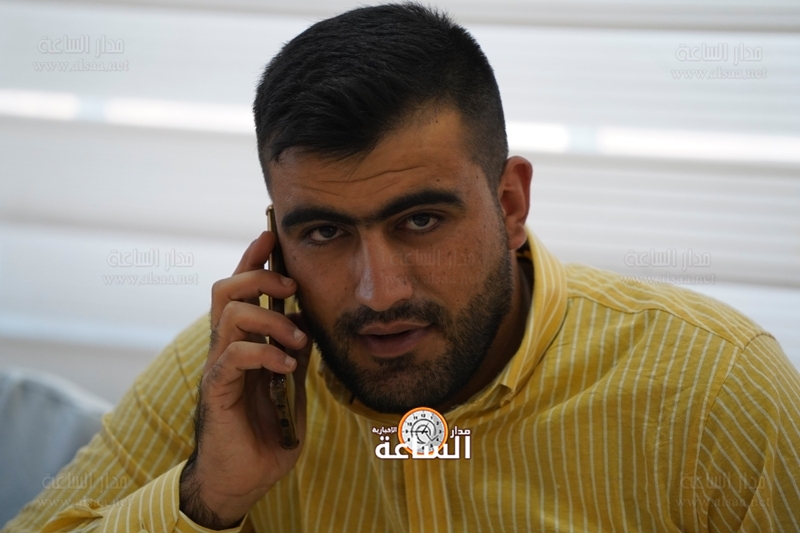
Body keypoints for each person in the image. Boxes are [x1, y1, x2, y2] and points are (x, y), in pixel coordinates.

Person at [4, 3, 800, 532]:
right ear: (274, 239)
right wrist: (206, 499)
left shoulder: (714, 389)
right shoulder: (233, 375)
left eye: (420, 221)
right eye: (324, 232)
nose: (377, 291)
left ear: (510, 202)